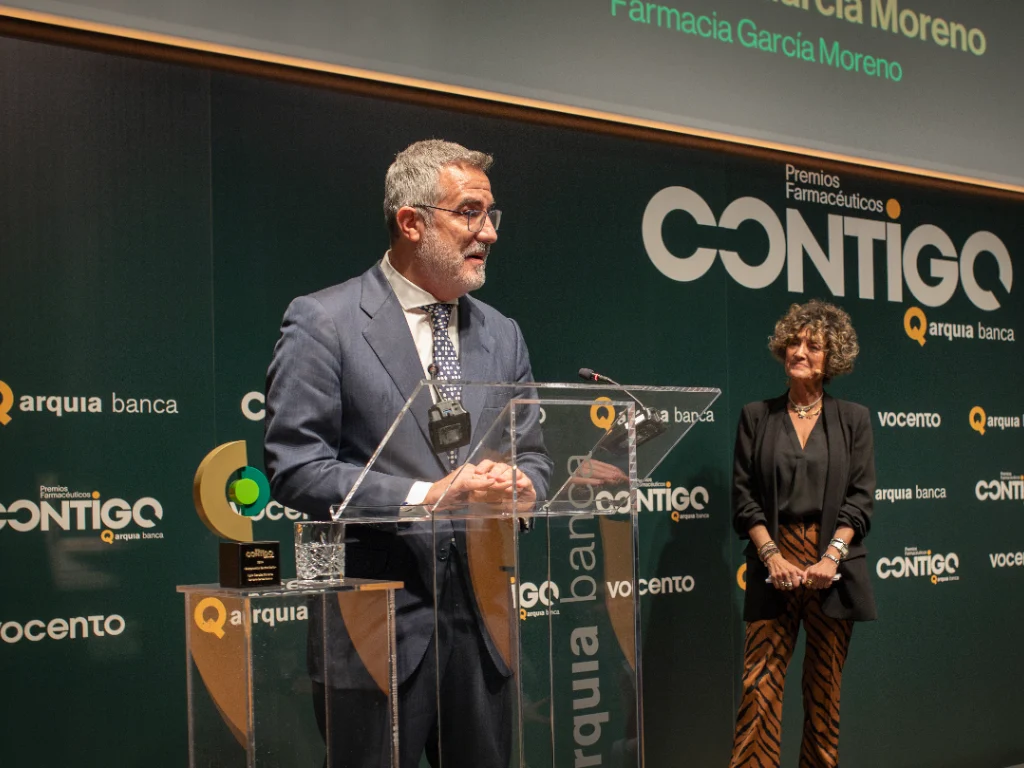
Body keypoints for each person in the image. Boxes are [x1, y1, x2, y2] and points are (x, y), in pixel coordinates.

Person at [264, 139, 551, 768]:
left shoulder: (503, 333)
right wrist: (427, 497)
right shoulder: (324, 321)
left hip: (484, 631)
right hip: (375, 630)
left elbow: (532, 452)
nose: (489, 232)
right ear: (411, 221)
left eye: (491, 214)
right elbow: (296, 468)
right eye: (470, 212)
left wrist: (524, 486)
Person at [728, 299, 876, 768]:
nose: (800, 351)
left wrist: (832, 557)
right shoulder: (756, 416)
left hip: (832, 564)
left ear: (831, 359)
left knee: (824, 689)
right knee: (759, 685)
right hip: (773, 559)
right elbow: (744, 497)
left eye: (813, 346)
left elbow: (860, 499)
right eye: (794, 342)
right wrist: (771, 555)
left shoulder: (853, 419)